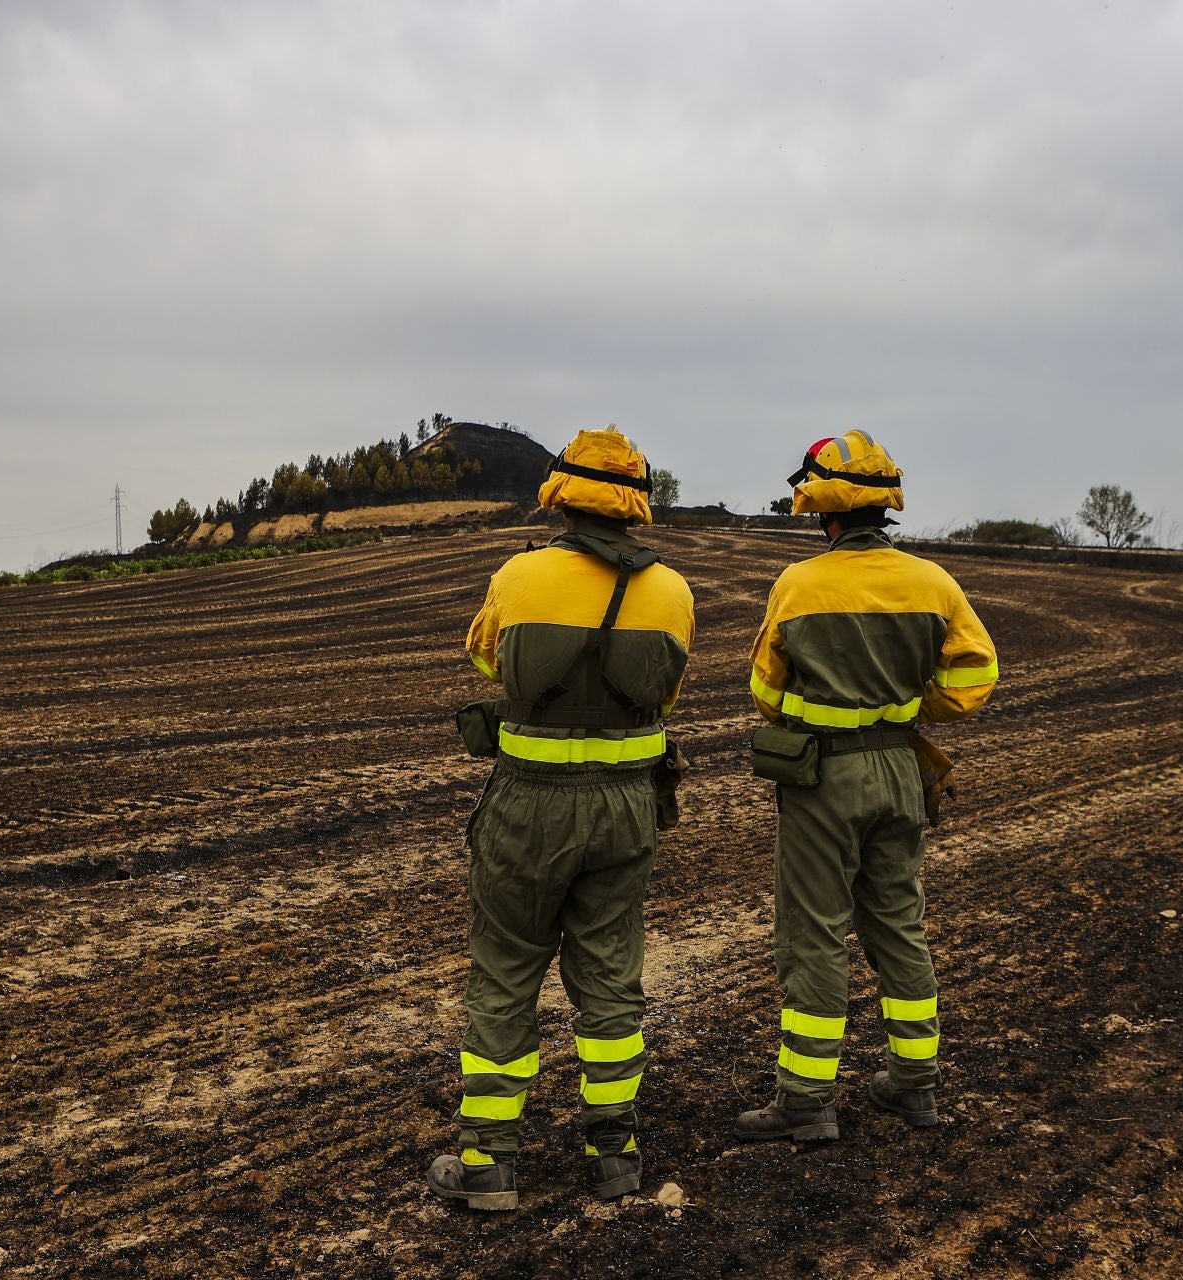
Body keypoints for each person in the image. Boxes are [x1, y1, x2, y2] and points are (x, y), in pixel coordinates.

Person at [427, 427, 695, 1210]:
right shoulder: (673, 592)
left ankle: (489, 1164)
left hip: (529, 804)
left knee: (506, 971)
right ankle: (615, 1155)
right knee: (612, 976)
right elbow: (665, 697)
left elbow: (489, 662)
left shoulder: (519, 575)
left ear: (559, 494)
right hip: (627, 808)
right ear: (637, 501)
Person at [734, 430, 997, 1143]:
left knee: (815, 934)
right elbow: (974, 678)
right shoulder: (934, 582)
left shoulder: (799, 585)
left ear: (822, 508)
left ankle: (806, 1100)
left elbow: (764, 690)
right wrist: (911, 707)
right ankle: (915, 1088)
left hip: (825, 776)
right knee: (897, 924)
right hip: (902, 770)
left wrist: (818, 711)